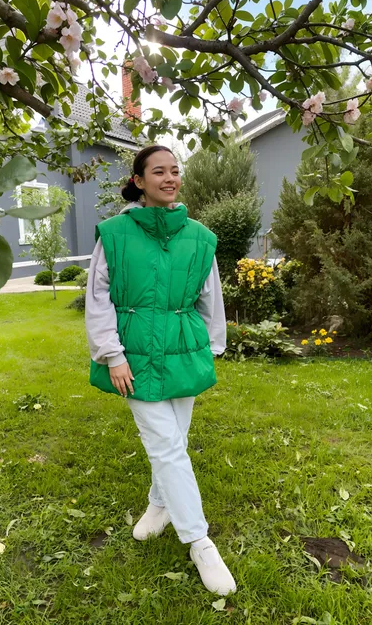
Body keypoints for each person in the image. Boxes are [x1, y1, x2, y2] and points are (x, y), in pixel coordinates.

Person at [85, 145, 236, 596]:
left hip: (184, 349)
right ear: (138, 180)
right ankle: (199, 541)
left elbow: (211, 298)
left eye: (175, 171)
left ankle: (158, 506)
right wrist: (112, 354)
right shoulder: (113, 234)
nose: (169, 178)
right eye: (158, 171)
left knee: (176, 439)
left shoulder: (200, 237)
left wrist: (212, 348)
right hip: (133, 356)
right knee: (166, 443)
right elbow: (99, 298)